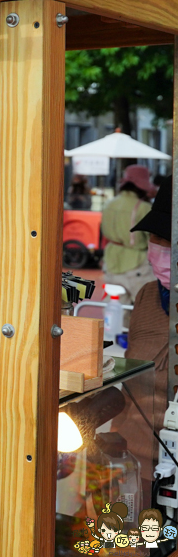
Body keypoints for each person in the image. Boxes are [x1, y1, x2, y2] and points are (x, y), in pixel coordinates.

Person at [112, 176, 172, 485]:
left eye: (172, 240)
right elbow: (130, 381)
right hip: (131, 468)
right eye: (155, 237)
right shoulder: (148, 294)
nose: (161, 249)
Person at [101, 165, 155, 304]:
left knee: (114, 311)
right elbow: (153, 237)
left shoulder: (109, 204)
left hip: (111, 259)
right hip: (137, 262)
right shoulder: (144, 207)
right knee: (144, 308)